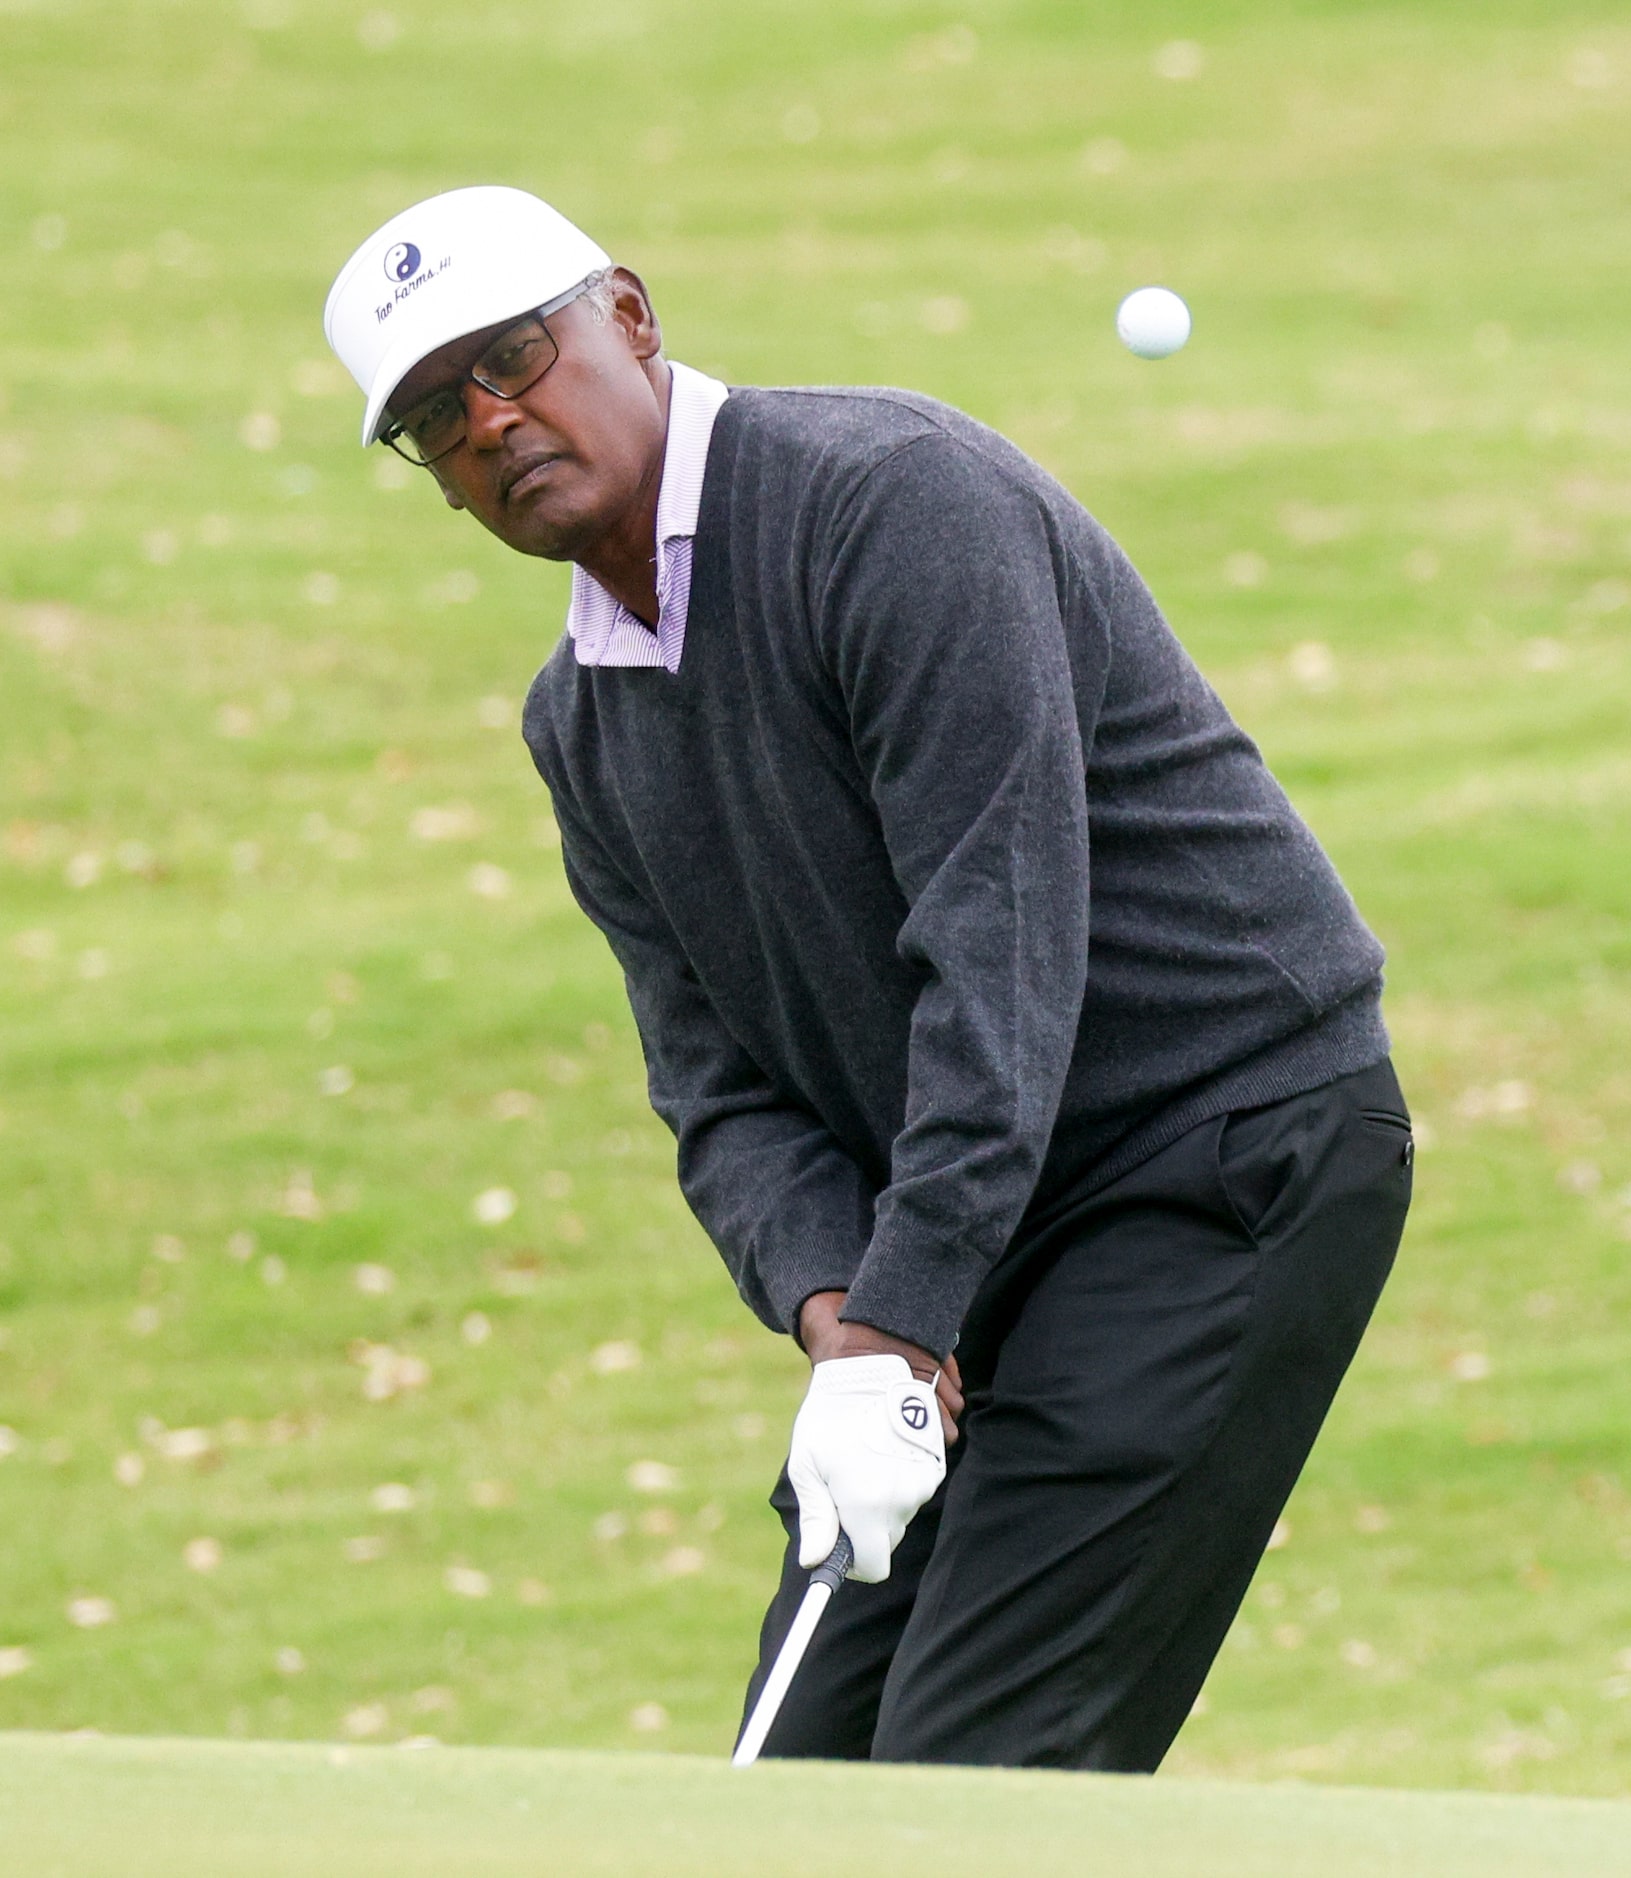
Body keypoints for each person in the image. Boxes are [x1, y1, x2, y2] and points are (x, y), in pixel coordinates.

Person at [320, 186, 1413, 1768]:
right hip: (961, 1229)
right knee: (799, 1777)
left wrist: (901, 1319)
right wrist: (844, 1318)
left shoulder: (889, 504)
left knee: (971, 1771)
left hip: (1215, 1155)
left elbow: (1003, 947)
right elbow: (719, 1087)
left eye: (514, 357)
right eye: (436, 417)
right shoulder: (583, 725)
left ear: (629, 314)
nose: (493, 423)